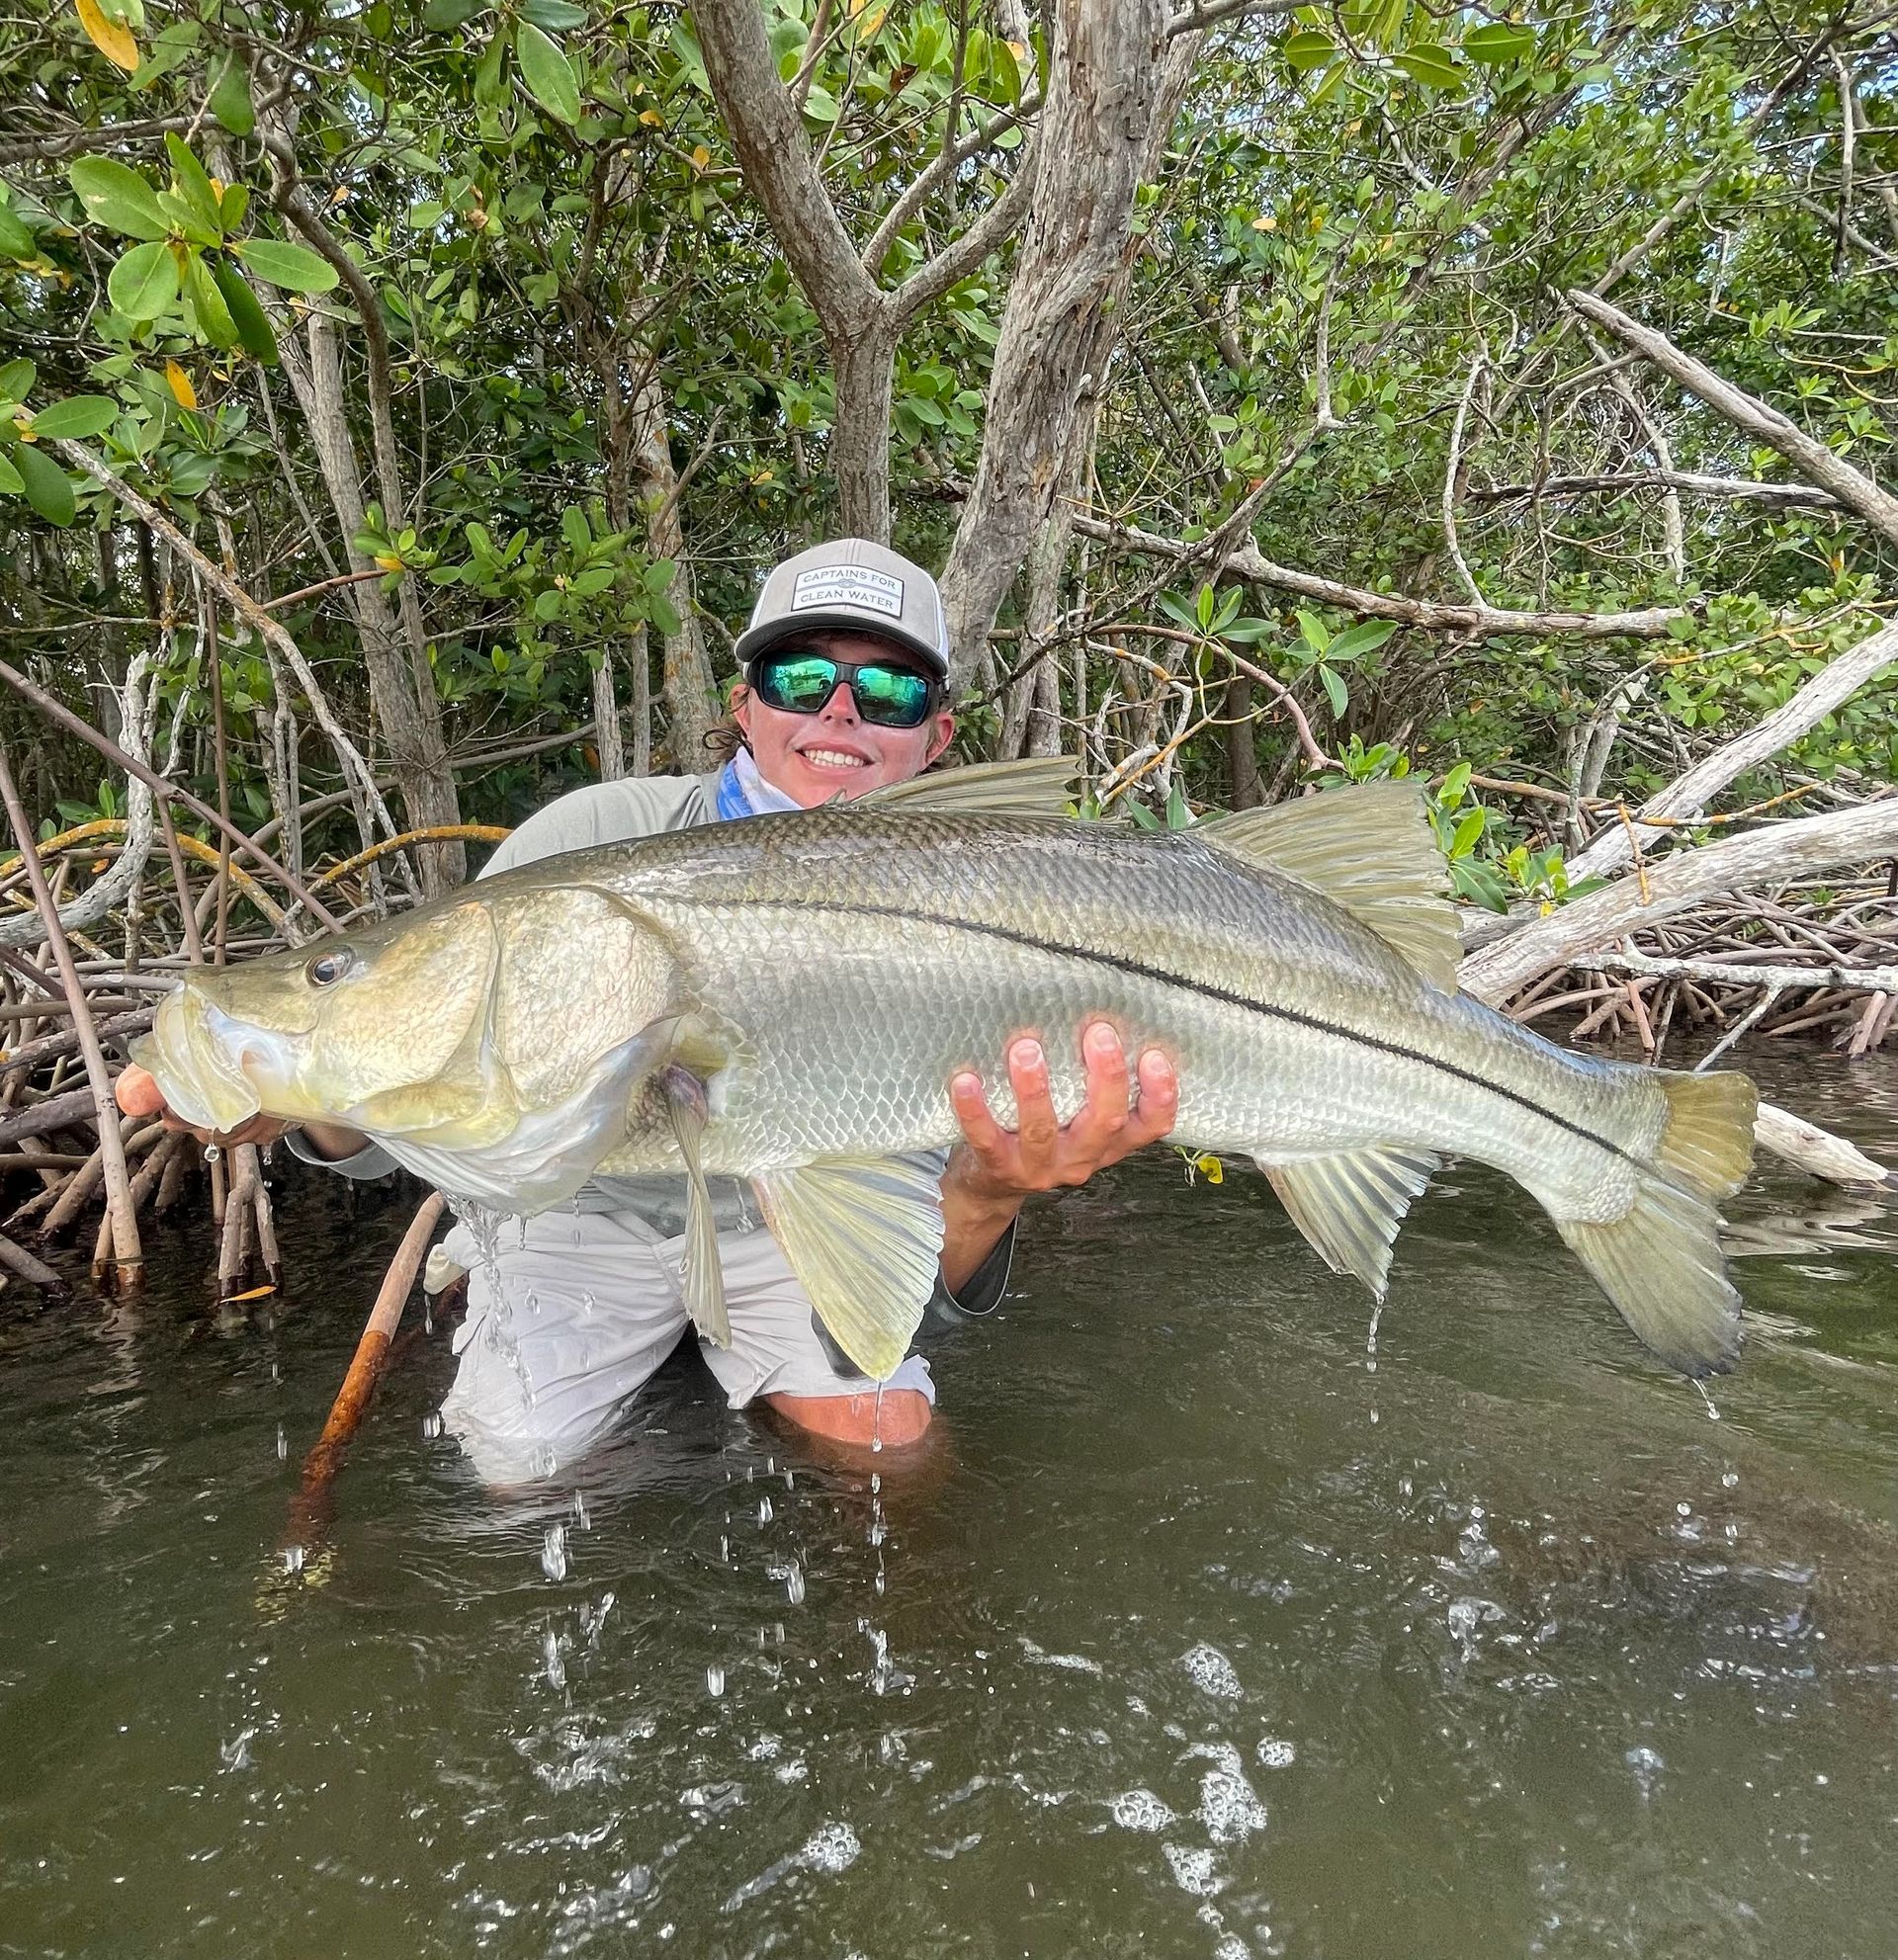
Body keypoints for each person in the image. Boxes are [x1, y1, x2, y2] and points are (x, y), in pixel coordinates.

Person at [118, 540, 1179, 1480]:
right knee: (515, 1478)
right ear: (745, 703)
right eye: (801, 677)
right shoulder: (588, 841)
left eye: (889, 693)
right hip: (583, 1214)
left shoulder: (1006, 886)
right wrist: (314, 1102)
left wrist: (990, 1196)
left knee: (887, 1450)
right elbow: (400, 1119)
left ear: (937, 737)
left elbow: (921, 1278)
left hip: (793, 1210)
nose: (840, 712)